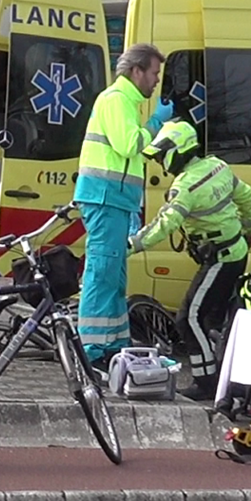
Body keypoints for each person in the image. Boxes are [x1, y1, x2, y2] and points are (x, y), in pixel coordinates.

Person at [128, 119, 251, 400]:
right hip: (236, 251)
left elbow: (165, 224)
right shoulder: (218, 166)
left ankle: (207, 383)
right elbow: (247, 196)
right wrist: (248, 230)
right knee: (211, 320)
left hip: (220, 257)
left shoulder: (185, 186)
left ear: (178, 151)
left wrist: (132, 245)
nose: (161, 162)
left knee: (189, 318)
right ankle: (225, 380)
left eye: (163, 155)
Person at [74, 43, 171, 366]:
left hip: (113, 200)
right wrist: (158, 123)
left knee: (114, 278)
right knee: (101, 274)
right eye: (154, 73)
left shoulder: (124, 102)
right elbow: (130, 145)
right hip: (105, 198)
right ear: (136, 71)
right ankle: (92, 350)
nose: (156, 81)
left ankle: (114, 344)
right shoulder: (117, 100)